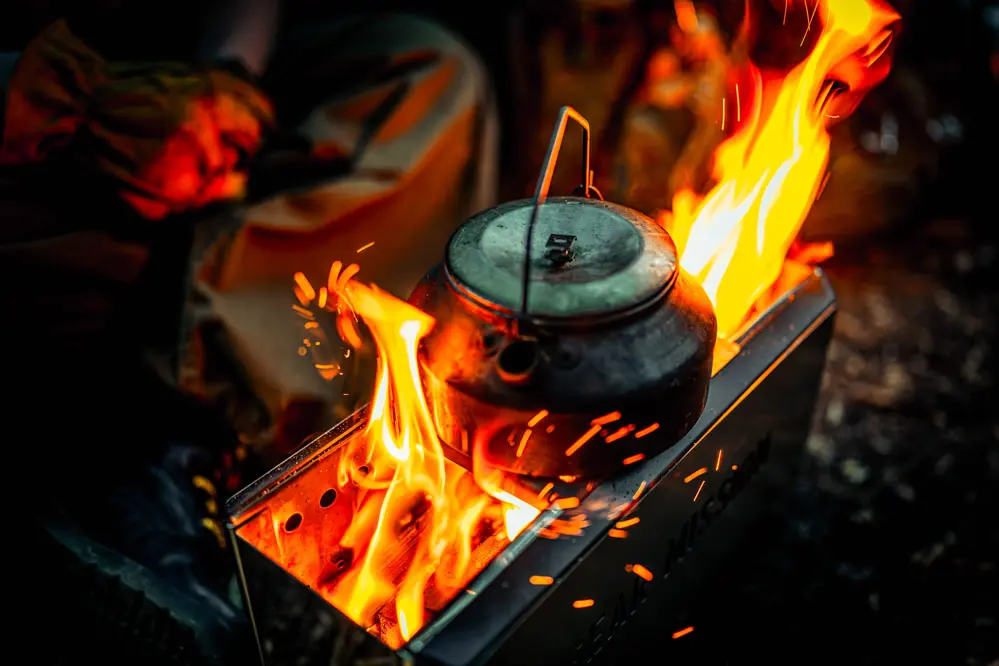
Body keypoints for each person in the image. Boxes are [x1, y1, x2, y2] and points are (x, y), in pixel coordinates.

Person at [1, 2, 496, 663]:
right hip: (33, 154)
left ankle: (254, 392)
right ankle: (179, 442)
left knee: (429, 77)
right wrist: (84, 108)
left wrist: (224, 84)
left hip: (180, 80)